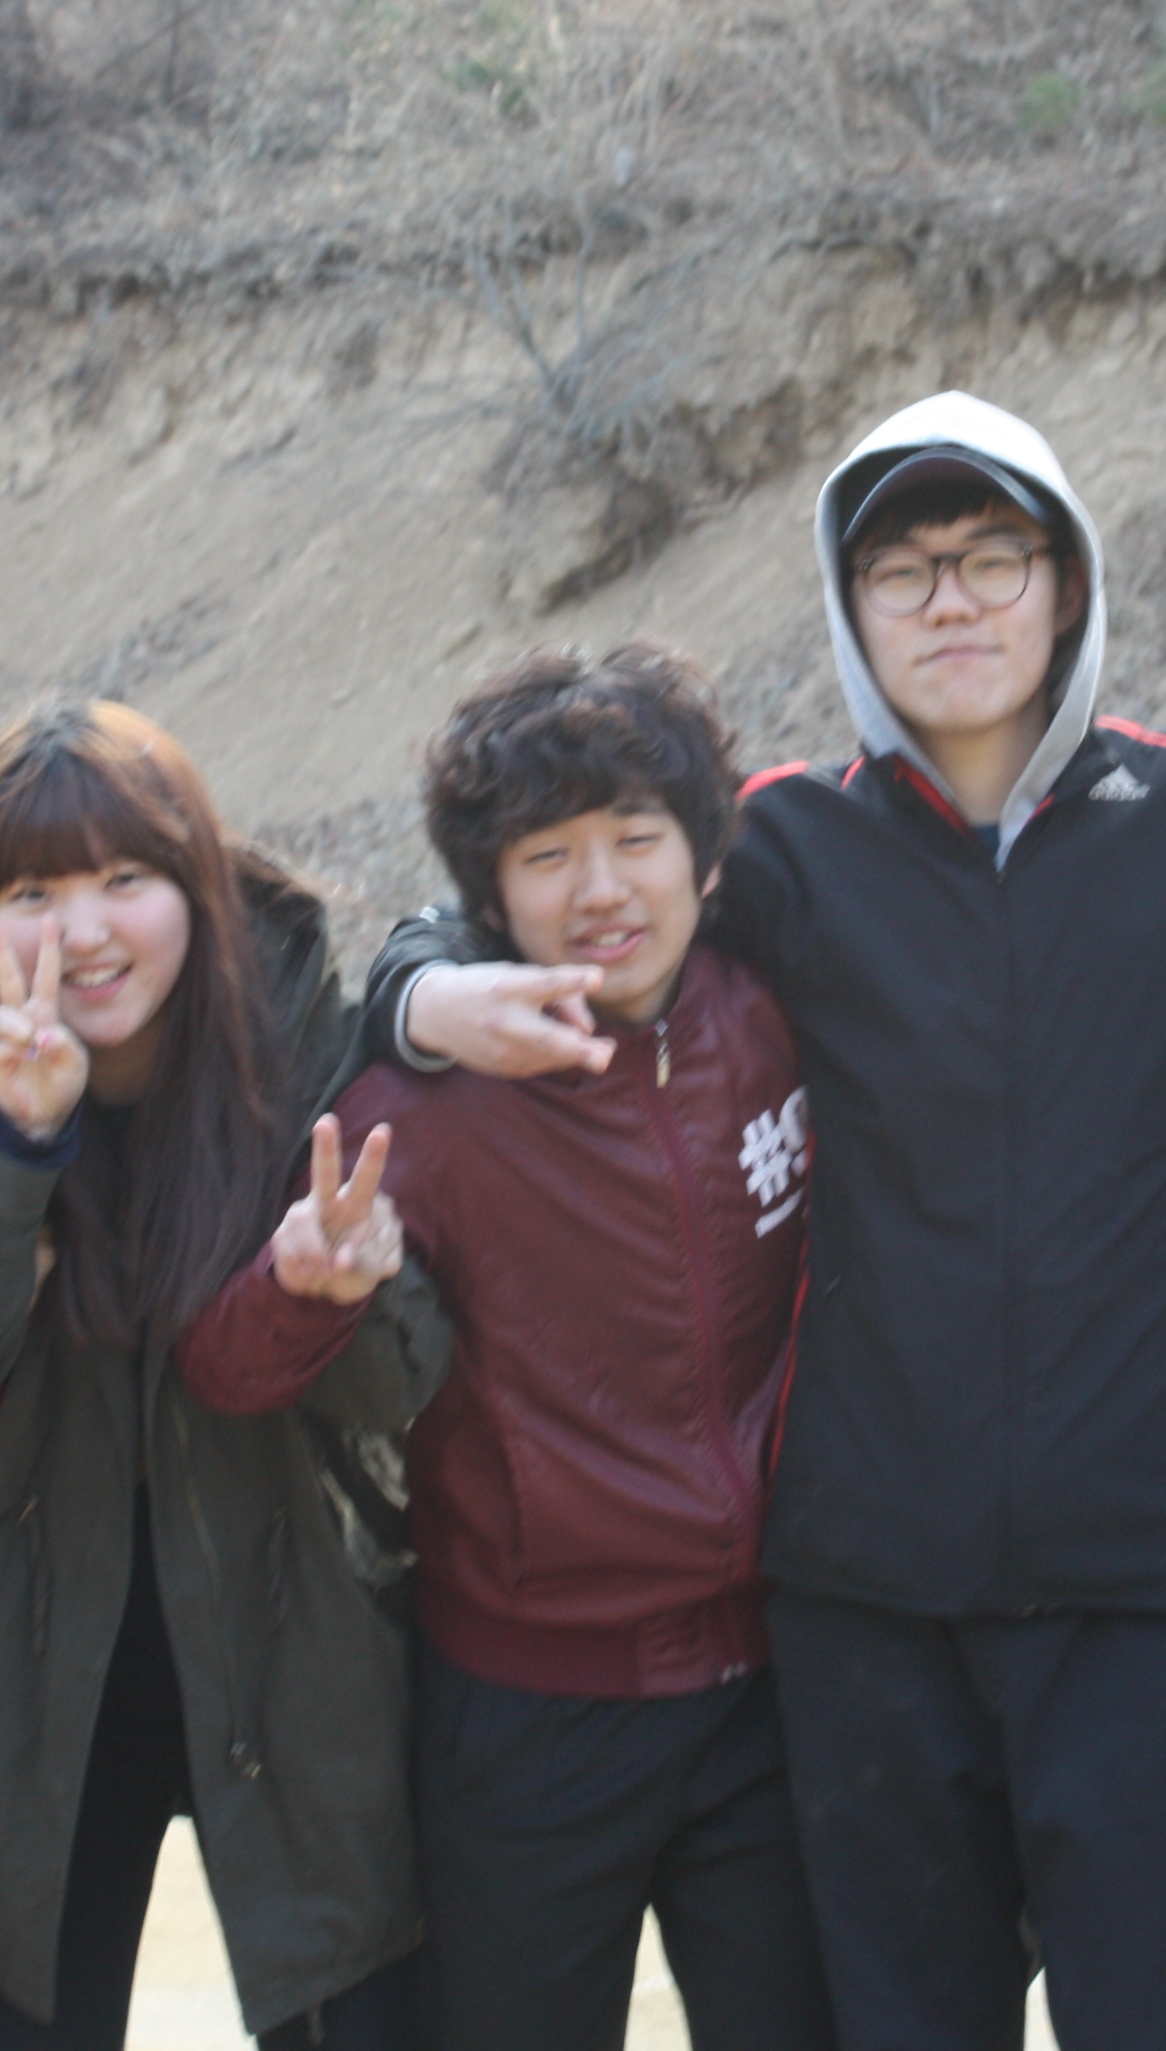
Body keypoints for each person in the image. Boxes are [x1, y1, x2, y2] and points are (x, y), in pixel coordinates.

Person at [382, 393, 1166, 2051]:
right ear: (849, 605)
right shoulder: (787, 844)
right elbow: (548, 891)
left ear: (1067, 583)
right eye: (901, 570)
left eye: (993, 557)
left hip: (1143, 1570)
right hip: (867, 1585)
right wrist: (418, 991)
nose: (951, 602)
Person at [183, 643, 839, 2051]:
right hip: (531, 1711)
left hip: (772, 1687)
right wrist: (307, 1284)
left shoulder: (778, 1019)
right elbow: (227, 1368)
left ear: (705, 855)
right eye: (548, 856)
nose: (601, 889)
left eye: (637, 839)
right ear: (491, 896)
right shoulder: (424, 1107)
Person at [0, 700, 437, 2051]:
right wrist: (14, 1147)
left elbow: (412, 1383)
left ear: (197, 883)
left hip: (302, 1648)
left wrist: (333, 1294)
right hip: (36, 1659)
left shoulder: (314, 1048)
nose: (85, 932)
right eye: (33, 893)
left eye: (124, 879)